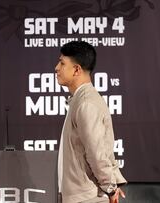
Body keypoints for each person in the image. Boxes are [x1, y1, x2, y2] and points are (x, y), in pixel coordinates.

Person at [56, 41, 127, 203]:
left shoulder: (86, 103)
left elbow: (96, 153)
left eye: (62, 63)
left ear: (76, 70)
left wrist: (110, 187)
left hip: (88, 198)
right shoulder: (79, 100)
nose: (57, 68)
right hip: (81, 196)